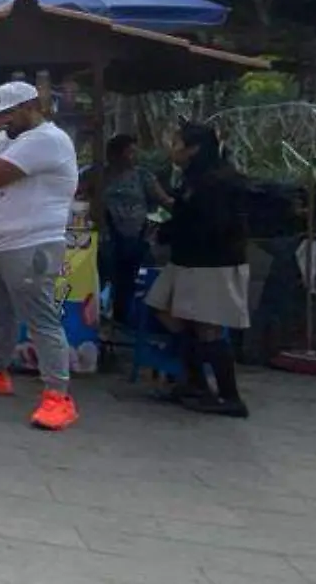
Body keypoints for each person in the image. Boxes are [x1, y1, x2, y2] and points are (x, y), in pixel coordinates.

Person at [0, 81, 82, 431]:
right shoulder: (5, 138)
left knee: (40, 318)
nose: (1, 122)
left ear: (29, 107)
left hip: (31, 242)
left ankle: (58, 394)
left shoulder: (47, 140)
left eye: (7, 114)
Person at [147, 122, 252, 417]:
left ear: (194, 148)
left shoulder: (217, 181)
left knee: (208, 325)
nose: (173, 150)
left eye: (178, 144)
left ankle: (229, 396)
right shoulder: (195, 179)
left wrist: (172, 231)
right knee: (166, 308)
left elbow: (210, 224)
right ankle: (194, 383)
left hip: (212, 262)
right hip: (188, 260)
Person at [100, 134, 170, 327]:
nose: (132, 156)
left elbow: (163, 200)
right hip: (105, 237)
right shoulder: (98, 175)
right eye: (129, 152)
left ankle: (121, 320)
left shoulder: (142, 176)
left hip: (134, 237)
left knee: (127, 281)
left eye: (133, 152)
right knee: (104, 277)